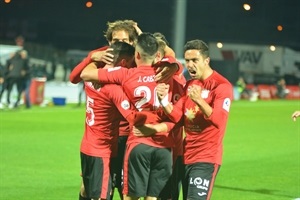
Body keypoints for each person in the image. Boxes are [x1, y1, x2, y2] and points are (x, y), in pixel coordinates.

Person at [80, 33, 180, 200]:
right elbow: (174, 60)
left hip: (139, 143)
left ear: (137, 55)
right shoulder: (168, 75)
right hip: (165, 146)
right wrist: (174, 66)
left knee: (130, 197)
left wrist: (94, 58)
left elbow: (85, 75)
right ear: (157, 55)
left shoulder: (126, 74)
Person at [156, 39, 233, 200]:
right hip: (185, 156)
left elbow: (219, 120)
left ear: (206, 61)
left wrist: (199, 100)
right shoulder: (189, 84)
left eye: (195, 60)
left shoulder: (221, 86)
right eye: (188, 60)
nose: (190, 65)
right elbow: (177, 116)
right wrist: (163, 100)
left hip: (207, 158)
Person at [0, 35, 30, 109]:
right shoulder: (12, 61)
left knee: (12, 89)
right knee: (9, 90)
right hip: (10, 77)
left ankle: (12, 102)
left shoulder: (14, 61)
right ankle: (9, 101)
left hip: (11, 77)